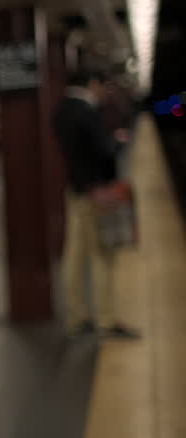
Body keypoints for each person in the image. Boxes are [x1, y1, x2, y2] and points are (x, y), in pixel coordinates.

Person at [52, 69, 139, 340]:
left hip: (76, 191)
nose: (105, 94)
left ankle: (76, 316)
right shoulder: (86, 112)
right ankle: (106, 319)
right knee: (103, 255)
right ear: (92, 84)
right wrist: (118, 141)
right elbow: (101, 150)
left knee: (74, 255)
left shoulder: (61, 111)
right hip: (96, 192)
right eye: (104, 87)